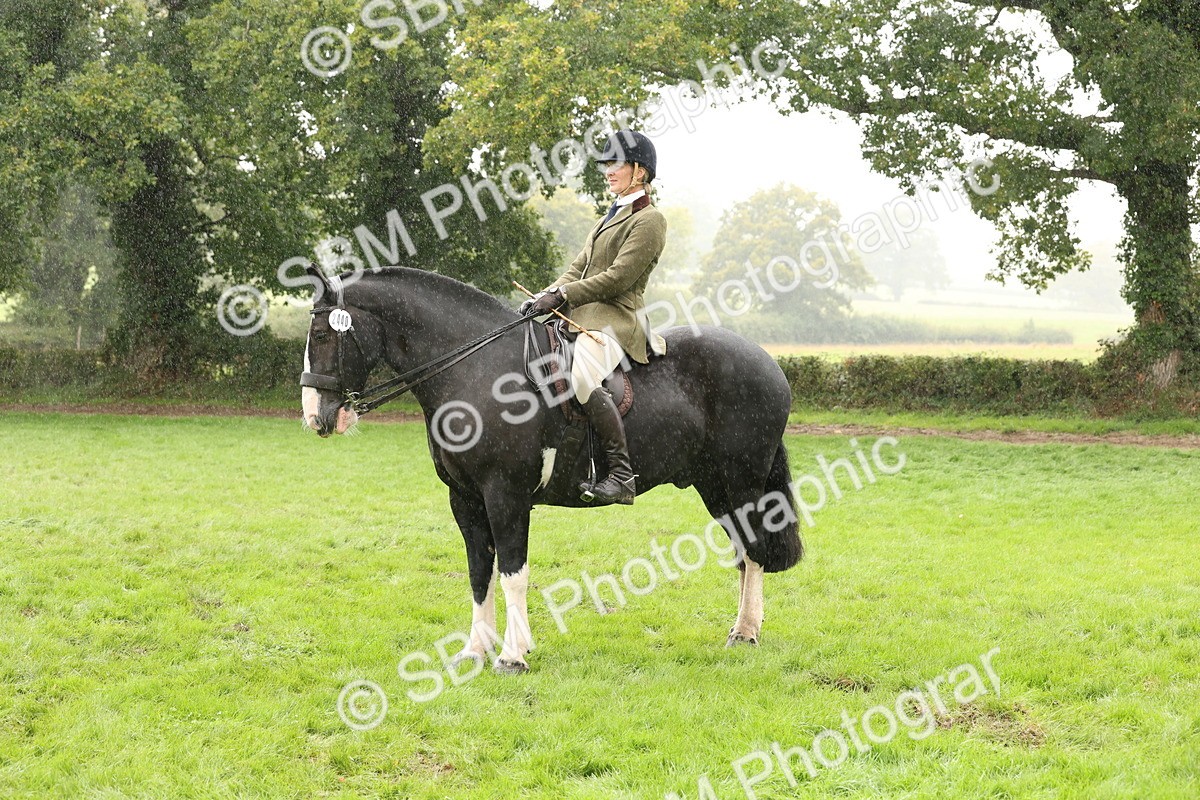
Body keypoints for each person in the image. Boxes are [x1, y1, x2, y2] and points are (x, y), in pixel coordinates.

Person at [520, 130, 668, 505]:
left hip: (616, 320)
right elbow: (577, 268)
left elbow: (619, 277)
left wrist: (565, 294)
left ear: (639, 171)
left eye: (615, 164)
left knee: (583, 376)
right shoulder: (608, 217)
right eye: (606, 164)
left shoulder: (649, 220)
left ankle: (620, 474)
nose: (607, 171)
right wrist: (546, 295)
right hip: (578, 317)